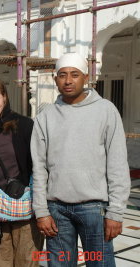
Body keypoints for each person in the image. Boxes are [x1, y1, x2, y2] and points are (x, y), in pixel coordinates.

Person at [31, 53, 131, 266]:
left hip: (95, 210)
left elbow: (117, 165)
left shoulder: (105, 110)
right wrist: (41, 211)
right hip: (56, 211)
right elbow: (39, 168)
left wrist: (116, 212)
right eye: (62, 75)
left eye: (74, 75)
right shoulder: (45, 117)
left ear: (85, 77)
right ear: (55, 78)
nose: (68, 81)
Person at [0, 77, 43, 267]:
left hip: (26, 208)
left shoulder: (24, 125)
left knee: (27, 260)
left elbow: (38, 166)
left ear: (4, 97)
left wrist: (41, 204)